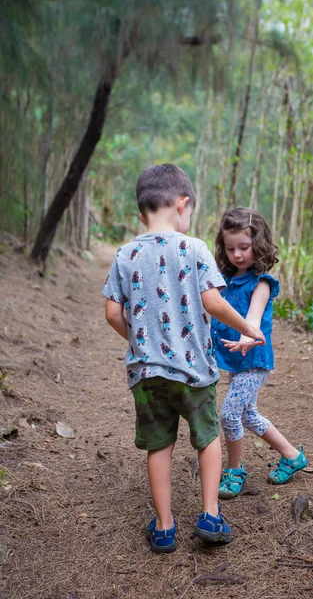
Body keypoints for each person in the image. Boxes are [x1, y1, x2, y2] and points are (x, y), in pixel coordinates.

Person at [102, 164, 265, 553]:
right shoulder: (195, 248)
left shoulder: (126, 253)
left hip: (147, 374)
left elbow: (111, 312)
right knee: (207, 439)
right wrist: (249, 329)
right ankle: (210, 515)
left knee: (159, 445)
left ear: (142, 214)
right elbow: (213, 301)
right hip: (195, 371)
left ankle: (164, 526)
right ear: (182, 204)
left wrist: (142, 344)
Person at [210, 207, 308, 499]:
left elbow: (252, 319)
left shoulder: (262, 282)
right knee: (249, 415)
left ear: (259, 245)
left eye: (244, 247)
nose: (237, 254)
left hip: (253, 360)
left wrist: (246, 338)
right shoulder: (225, 280)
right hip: (237, 360)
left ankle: (234, 469)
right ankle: (292, 455)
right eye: (230, 248)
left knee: (229, 414)